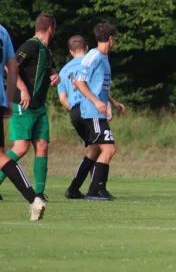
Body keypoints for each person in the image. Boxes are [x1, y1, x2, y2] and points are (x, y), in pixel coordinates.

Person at [0, 13, 60, 201]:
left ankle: (39, 193)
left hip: (39, 107)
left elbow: (49, 68)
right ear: (51, 28)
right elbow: (11, 66)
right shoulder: (31, 45)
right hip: (23, 104)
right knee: (21, 147)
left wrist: (55, 75)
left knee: (42, 145)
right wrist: (23, 88)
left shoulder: (46, 50)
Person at [74, 23, 125, 201]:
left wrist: (112, 101)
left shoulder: (104, 57)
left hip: (99, 111)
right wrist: (96, 101)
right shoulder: (93, 56)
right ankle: (94, 190)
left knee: (96, 150)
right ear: (111, 39)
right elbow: (79, 82)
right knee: (109, 149)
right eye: (114, 39)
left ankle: (79, 189)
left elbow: (100, 86)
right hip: (92, 112)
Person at [0, 24, 46, 220]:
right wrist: (9, 99)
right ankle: (34, 200)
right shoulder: (2, 32)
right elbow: (12, 67)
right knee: (1, 156)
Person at [58, 35, 101, 199]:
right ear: (87, 47)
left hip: (75, 111)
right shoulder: (91, 63)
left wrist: (75, 110)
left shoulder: (64, 71)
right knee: (102, 148)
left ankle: (86, 188)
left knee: (95, 148)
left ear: (70, 51)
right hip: (90, 108)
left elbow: (63, 99)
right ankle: (89, 188)